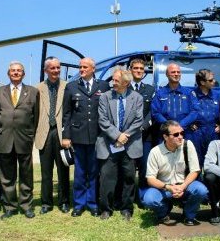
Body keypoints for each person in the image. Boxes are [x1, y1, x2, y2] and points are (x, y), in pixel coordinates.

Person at [62, 58, 109, 217]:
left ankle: (93, 203)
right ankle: (79, 204)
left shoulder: (103, 86)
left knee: (94, 172)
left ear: (93, 69)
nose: (81, 69)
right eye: (80, 67)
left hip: (97, 136)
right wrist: (66, 136)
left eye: (85, 67)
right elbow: (67, 114)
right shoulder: (71, 86)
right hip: (78, 136)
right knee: (80, 173)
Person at [96, 69, 143, 221]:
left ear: (126, 83)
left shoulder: (137, 98)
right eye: (113, 80)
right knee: (106, 177)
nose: (112, 83)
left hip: (130, 144)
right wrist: (117, 135)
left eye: (116, 81)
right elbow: (102, 120)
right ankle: (106, 209)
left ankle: (126, 208)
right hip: (109, 143)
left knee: (129, 178)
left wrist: (124, 136)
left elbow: (138, 120)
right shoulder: (105, 97)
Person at [142, 121, 208, 226]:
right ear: (165, 137)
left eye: (182, 133)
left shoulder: (188, 145)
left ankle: (188, 215)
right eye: (176, 134)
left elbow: (195, 170)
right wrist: (168, 187)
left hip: (185, 185)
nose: (180, 137)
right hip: (165, 188)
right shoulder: (155, 152)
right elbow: (150, 179)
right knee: (149, 199)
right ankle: (163, 213)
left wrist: (183, 186)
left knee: (201, 190)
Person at [0, 62, 39, 219]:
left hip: (24, 139)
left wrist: (31, 135)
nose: (16, 73)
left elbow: (37, 116)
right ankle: (10, 207)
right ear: (8, 73)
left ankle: (27, 206)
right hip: (5, 139)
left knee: (26, 174)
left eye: (19, 71)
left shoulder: (33, 92)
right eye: (13, 71)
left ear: (24, 74)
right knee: (7, 176)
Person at [34, 57, 70, 214]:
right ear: (45, 70)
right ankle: (46, 203)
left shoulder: (68, 87)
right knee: (46, 171)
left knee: (63, 170)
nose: (56, 71)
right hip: (45, 133)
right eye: (52, 68)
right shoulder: (38, 89)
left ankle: (64, 201)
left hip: (62, 134)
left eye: (58, 68)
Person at [128, 58, 155, 201]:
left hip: (146, 136)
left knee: (145, 167)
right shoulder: (124, 88)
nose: (139, 71)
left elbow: (152, 112)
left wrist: (143, 126)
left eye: (141, 69)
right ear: (130, 70)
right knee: (129, 168)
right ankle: (130, 197)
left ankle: (143, 196)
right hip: (129, 137)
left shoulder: (150, 89)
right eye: (136, 68)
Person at [151, 63, 200, 141]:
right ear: (167, 74)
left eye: (178, 72)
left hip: (185, 132)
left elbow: (195, 111)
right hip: (166, 134)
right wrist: (169, 126)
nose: (176, 74)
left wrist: (181, 125)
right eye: (173, 72)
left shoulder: (189, 93)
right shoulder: (159, 93)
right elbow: (155, 113)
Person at [190, 69, 220, 168]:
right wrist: (190, 124)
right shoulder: (191, 95)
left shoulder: (218, 95)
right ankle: (198, 183)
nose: (214, 82)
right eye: (211, 80)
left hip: (214, 132)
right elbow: (187, 112)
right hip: (197, 132)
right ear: (202, 82)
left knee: (214, 162)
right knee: (196, 162)